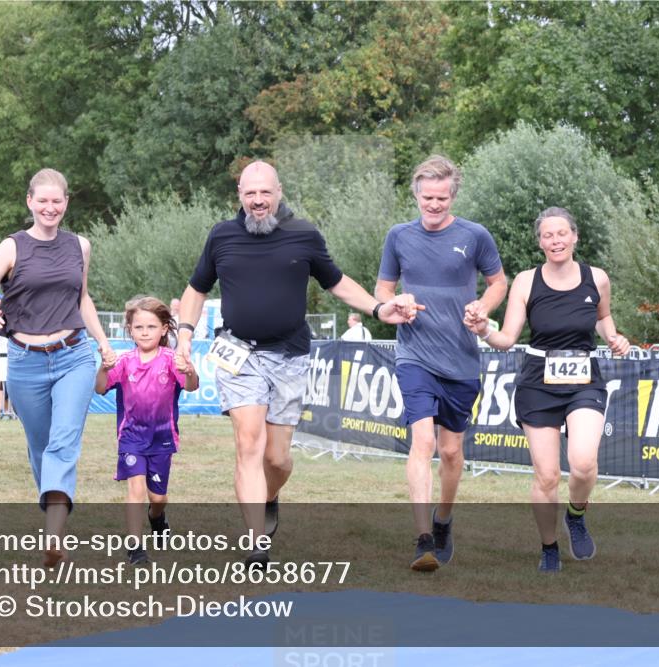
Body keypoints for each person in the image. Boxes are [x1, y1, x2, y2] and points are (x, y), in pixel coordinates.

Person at [176, 160, 421, 567]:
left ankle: (270, 494)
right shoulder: (221, 236)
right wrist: (184, 333)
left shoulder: (304, 234)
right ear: (239, 193)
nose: (257, 200)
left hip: (289, 357)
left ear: (279, 192)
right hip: (238, 354)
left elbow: (337, 283)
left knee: (277, 459)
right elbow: (195, 288)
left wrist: (380, 309)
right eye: (250, 193)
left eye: (265, 193)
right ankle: (257, 543)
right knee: (248, 444)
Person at [0, 168, 117, 569]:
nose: (50, 208)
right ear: (30, 202)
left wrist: (102, 343)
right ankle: (54, 511)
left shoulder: (80, 246)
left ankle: (54, 534)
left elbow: (83, 299)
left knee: (63, 442)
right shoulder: (11, 248)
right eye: (43, 200)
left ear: (66, 203)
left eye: (58, 201)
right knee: (39, 446)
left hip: (74, 355)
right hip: (24, 360)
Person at [465, 206, 629, 572]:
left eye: (561, 234)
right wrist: (484, 331)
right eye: (547, 236)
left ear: (574, 237)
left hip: (584, 378)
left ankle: (576, 514)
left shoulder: (597, 278)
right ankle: (549, 547)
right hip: (538, 381)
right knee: (548, 475)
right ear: (540, 242)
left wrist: (615, 338)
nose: (555, 241)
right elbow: (507, 339)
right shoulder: (526, 281)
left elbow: (603, 319)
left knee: (584, 464)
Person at [376, 155, 508, 572]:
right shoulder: (398, 236)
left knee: (451, 452)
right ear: (416, 194)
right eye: (427, 197)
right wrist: (394, 303)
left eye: (442, 198)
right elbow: (383, 288)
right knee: (423, 443)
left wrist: (482, 307)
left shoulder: (475, 236)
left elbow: (498, 282)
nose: (434, 205)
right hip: (415, 353)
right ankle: (422, 538)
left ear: (453, 195)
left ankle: (444, 519)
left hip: (461, 359)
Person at [95, 296, 198, 565]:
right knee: (135, 489)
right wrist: (103, 369)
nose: (144, 332)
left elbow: (190, 386)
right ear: (130, 329)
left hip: (163, 438)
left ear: (164, 328)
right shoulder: (124, 361)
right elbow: (100, 387)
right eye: (139, 327)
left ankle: (157, 517)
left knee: (158, 496)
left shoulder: (171, 359)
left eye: (151, 327)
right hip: (131, 437)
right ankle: (135, 547)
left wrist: (189, 371)